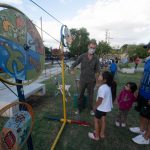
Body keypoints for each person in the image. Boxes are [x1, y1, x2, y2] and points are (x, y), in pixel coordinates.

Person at [70, 39, 100, 115]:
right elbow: (74, 64)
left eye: (94, 48)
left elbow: (97, 71)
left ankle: (91, 109)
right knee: (80, 95)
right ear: (88, 47)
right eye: (91, 47)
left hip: (91, 81)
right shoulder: (82, 56)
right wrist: (72, 69)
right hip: (82, 80)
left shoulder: (96, 58)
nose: (92, 49)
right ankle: (79, 108)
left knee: (91, 96)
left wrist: (97, 82)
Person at [129, 42, 150, 145]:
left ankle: (146, 137)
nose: (148, 50)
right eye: (148, 48)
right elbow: (143, 75)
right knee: (142, 113)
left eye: (149, 48)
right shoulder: (148, 61)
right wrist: (138, 88)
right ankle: (142, 129)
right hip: (143, 92)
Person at [88, 71, 113, 140]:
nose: (99, 76)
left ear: (104, 80)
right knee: (103, 120)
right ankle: (101, 134)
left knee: (96, 120)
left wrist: (94, 107)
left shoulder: (102, 88)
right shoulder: (107, 86)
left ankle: (96, 136)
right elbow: (98, 83)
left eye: (101, 76)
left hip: (101, 108)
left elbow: (100, 100)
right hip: (105, 108)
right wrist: (98, 80)